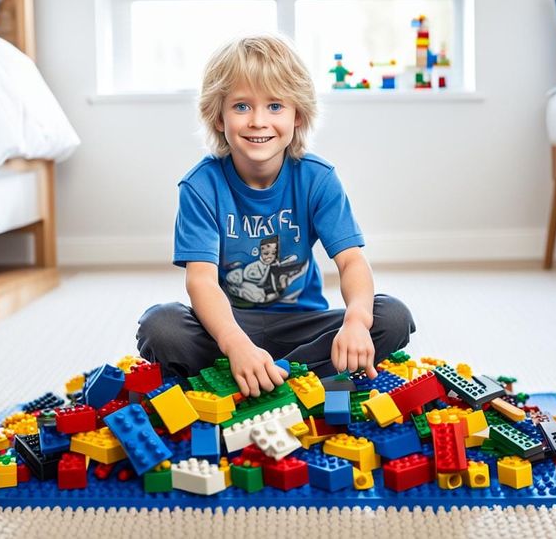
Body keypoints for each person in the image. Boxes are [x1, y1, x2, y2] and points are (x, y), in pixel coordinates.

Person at [136, 34, 413, 397]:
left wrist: (357, 322)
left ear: (297, 115)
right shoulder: (200, 186)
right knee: (161, 326)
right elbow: (201, 281)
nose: (257, 121)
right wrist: (235, 344)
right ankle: (285, 376)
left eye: (275, 106)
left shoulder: (317, 178)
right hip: (230, 326)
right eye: (241, 107)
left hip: (304, 324)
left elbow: (351, 263)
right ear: (218, 117)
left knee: (392, 316)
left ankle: (262, 377)